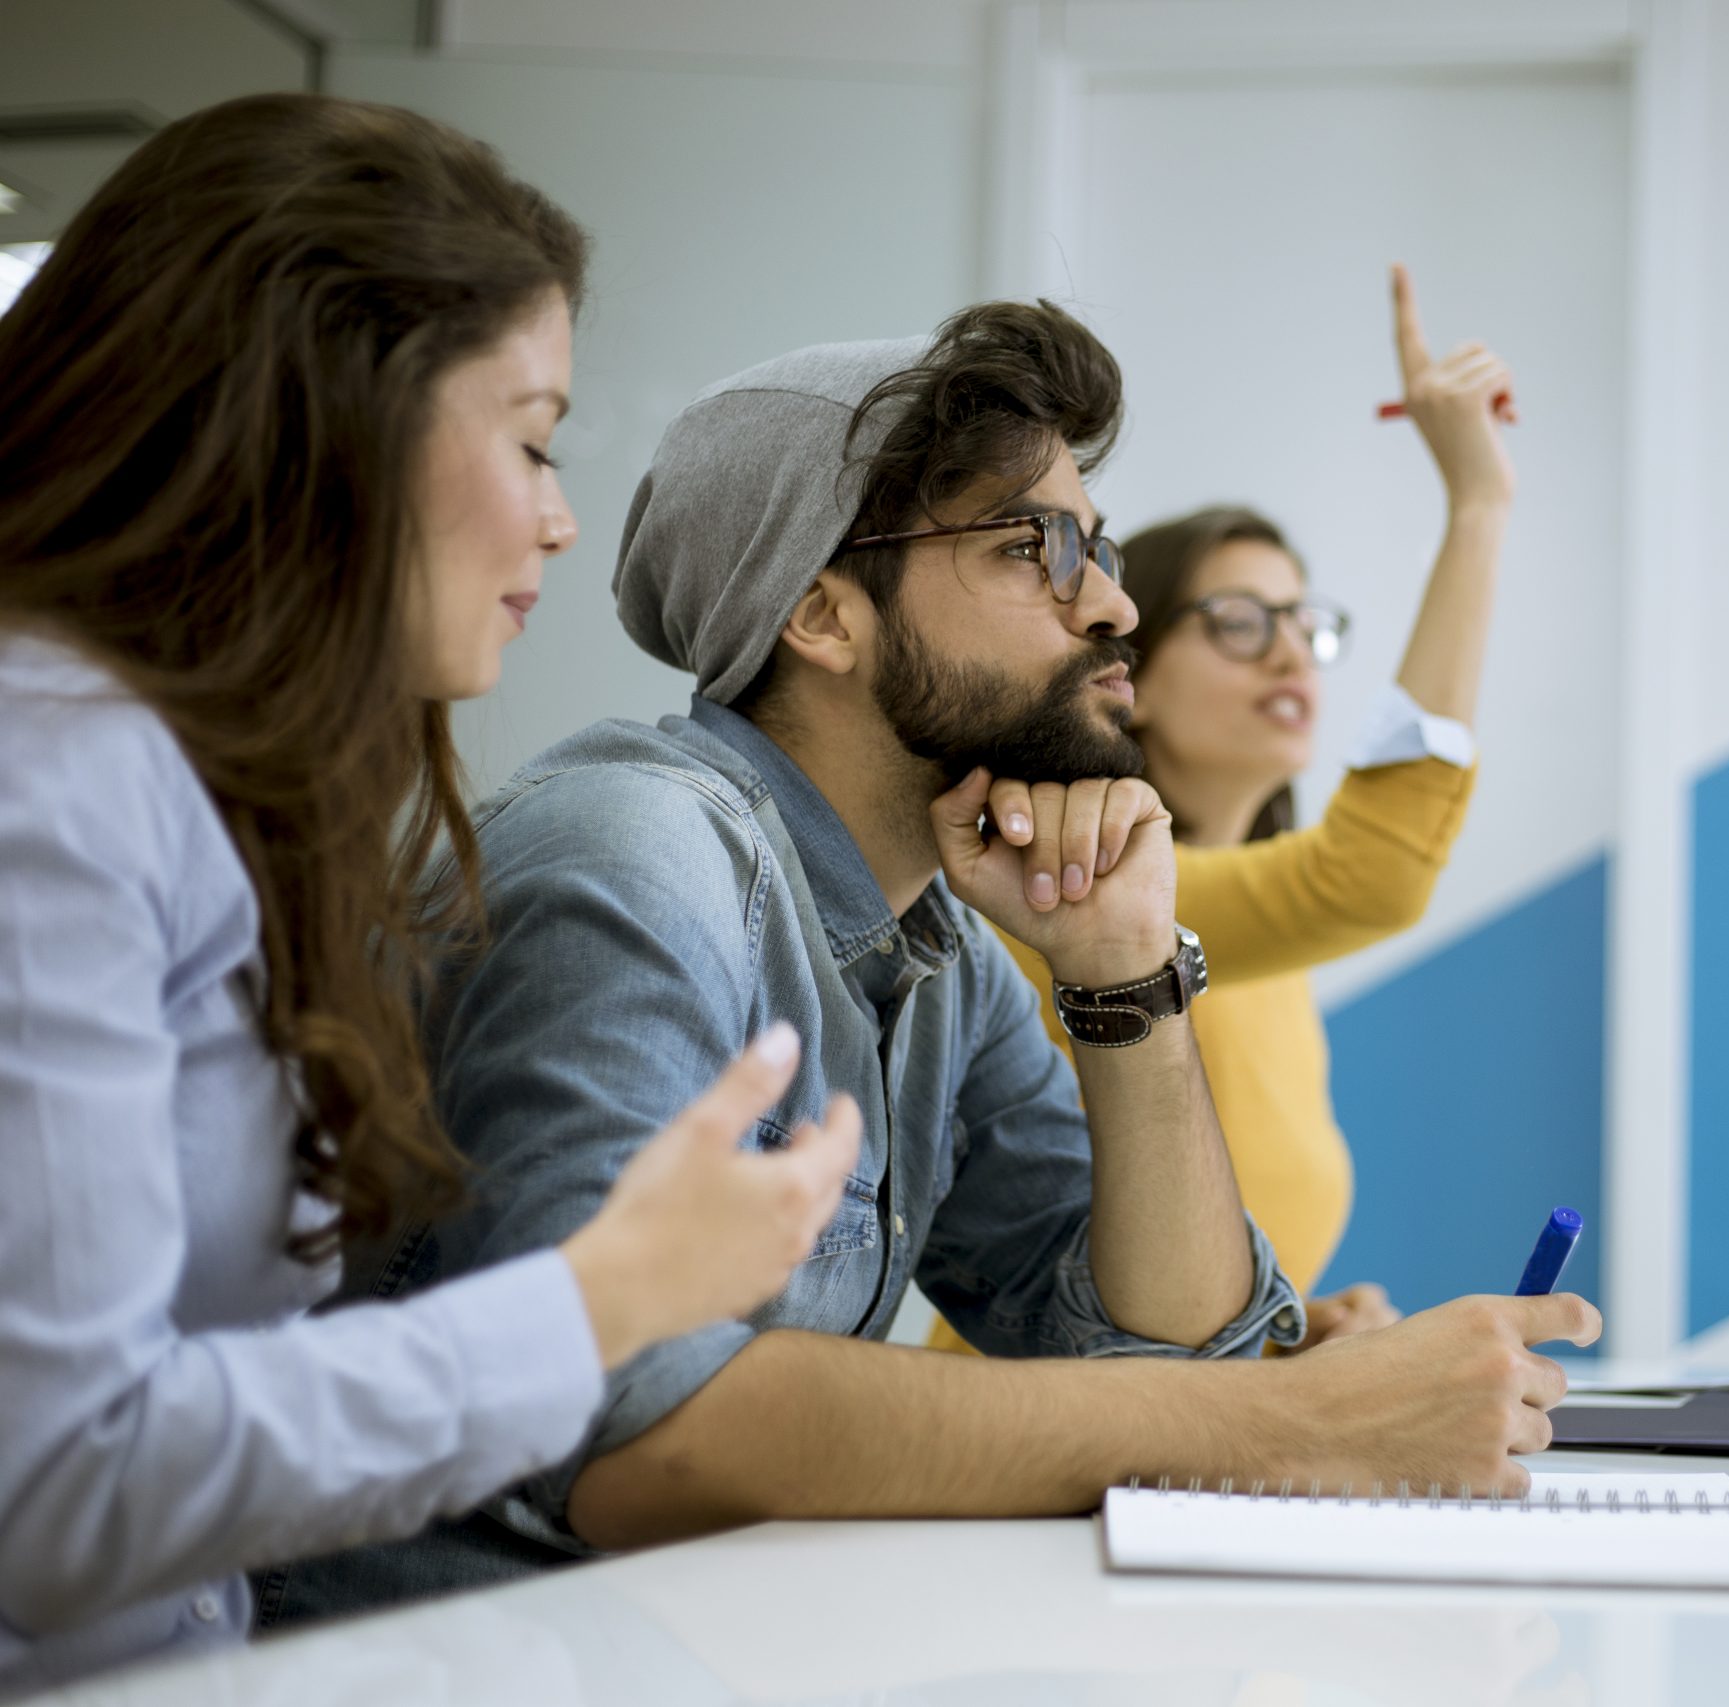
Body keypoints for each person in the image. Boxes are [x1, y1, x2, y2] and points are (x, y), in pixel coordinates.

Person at [269, 299, 1599, 1624]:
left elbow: (1178, 1344)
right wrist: (1295, 1418)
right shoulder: (641, 852)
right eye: (1032, 545)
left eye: (1100, 546)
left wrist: (1123, 968)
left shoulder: (948, 948)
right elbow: (630, 1436)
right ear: (822, 615)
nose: (1114, 604)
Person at [0, 94, 862, 1695]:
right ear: (330, 411)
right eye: (531, 435)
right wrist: (602, 1297)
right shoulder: (53, 780)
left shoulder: (201, 784)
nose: (558, 512)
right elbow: (59, 1488)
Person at [926, 265, 1513, 1353]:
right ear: (1125, 661)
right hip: (1038, 1462)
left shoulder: (1262, 938)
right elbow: (1373, 870)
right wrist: (1477, 504)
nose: (1288, 648)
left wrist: (1288, 1334)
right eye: (1238, 619)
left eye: (1302, 620)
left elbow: (1171, 1288)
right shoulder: (1087, 883)